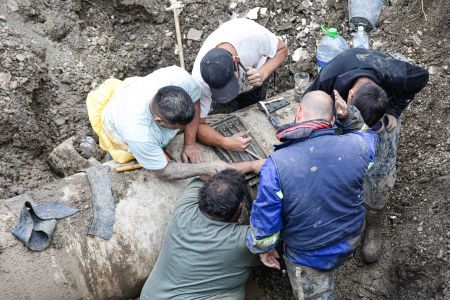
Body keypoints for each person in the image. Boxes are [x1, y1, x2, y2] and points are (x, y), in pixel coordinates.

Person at [246, 91, 379, 299]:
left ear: (298, 113)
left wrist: (263, 248)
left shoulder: (276, 165)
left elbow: (265, 221)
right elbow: (370, 136)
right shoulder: (359, 145)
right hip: (351, 237)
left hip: (310, 255)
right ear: (333, 119)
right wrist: (348, 119)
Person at [305, 48, 429, 262]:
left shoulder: (397, 76)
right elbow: (309, 107)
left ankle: (374, 220)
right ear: (350, 96)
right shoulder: (329, 79)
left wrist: (394, 110)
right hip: (342, 110)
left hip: (381, 112)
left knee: (380, 165)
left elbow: (423, 77)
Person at [140, 166, 264, 300]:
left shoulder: (184, 208)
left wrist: (250, 165)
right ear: (239, 208)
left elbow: (205, 174)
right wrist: (253, 165)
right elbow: (276, 234)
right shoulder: (242, 241)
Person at [87, 65, 227, 180]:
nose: (187, 128)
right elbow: (163, 171)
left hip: (133, 93)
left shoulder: (180, 79)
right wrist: (207, 168)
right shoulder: (139, 133)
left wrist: (190, 144)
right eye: (181, 127)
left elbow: (195, 100)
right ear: (159, 121)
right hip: (118, 121)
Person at [191, 18, 288, 152]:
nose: (227, 92)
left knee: (254, 110)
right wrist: (225, 142)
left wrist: (262, 73)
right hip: (223, 87)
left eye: (229, 86)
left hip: (256, 78)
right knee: (226, 110)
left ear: (236, 60)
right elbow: (198, 125)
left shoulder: (253, 37)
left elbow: (282, 49)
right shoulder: (200, 81)